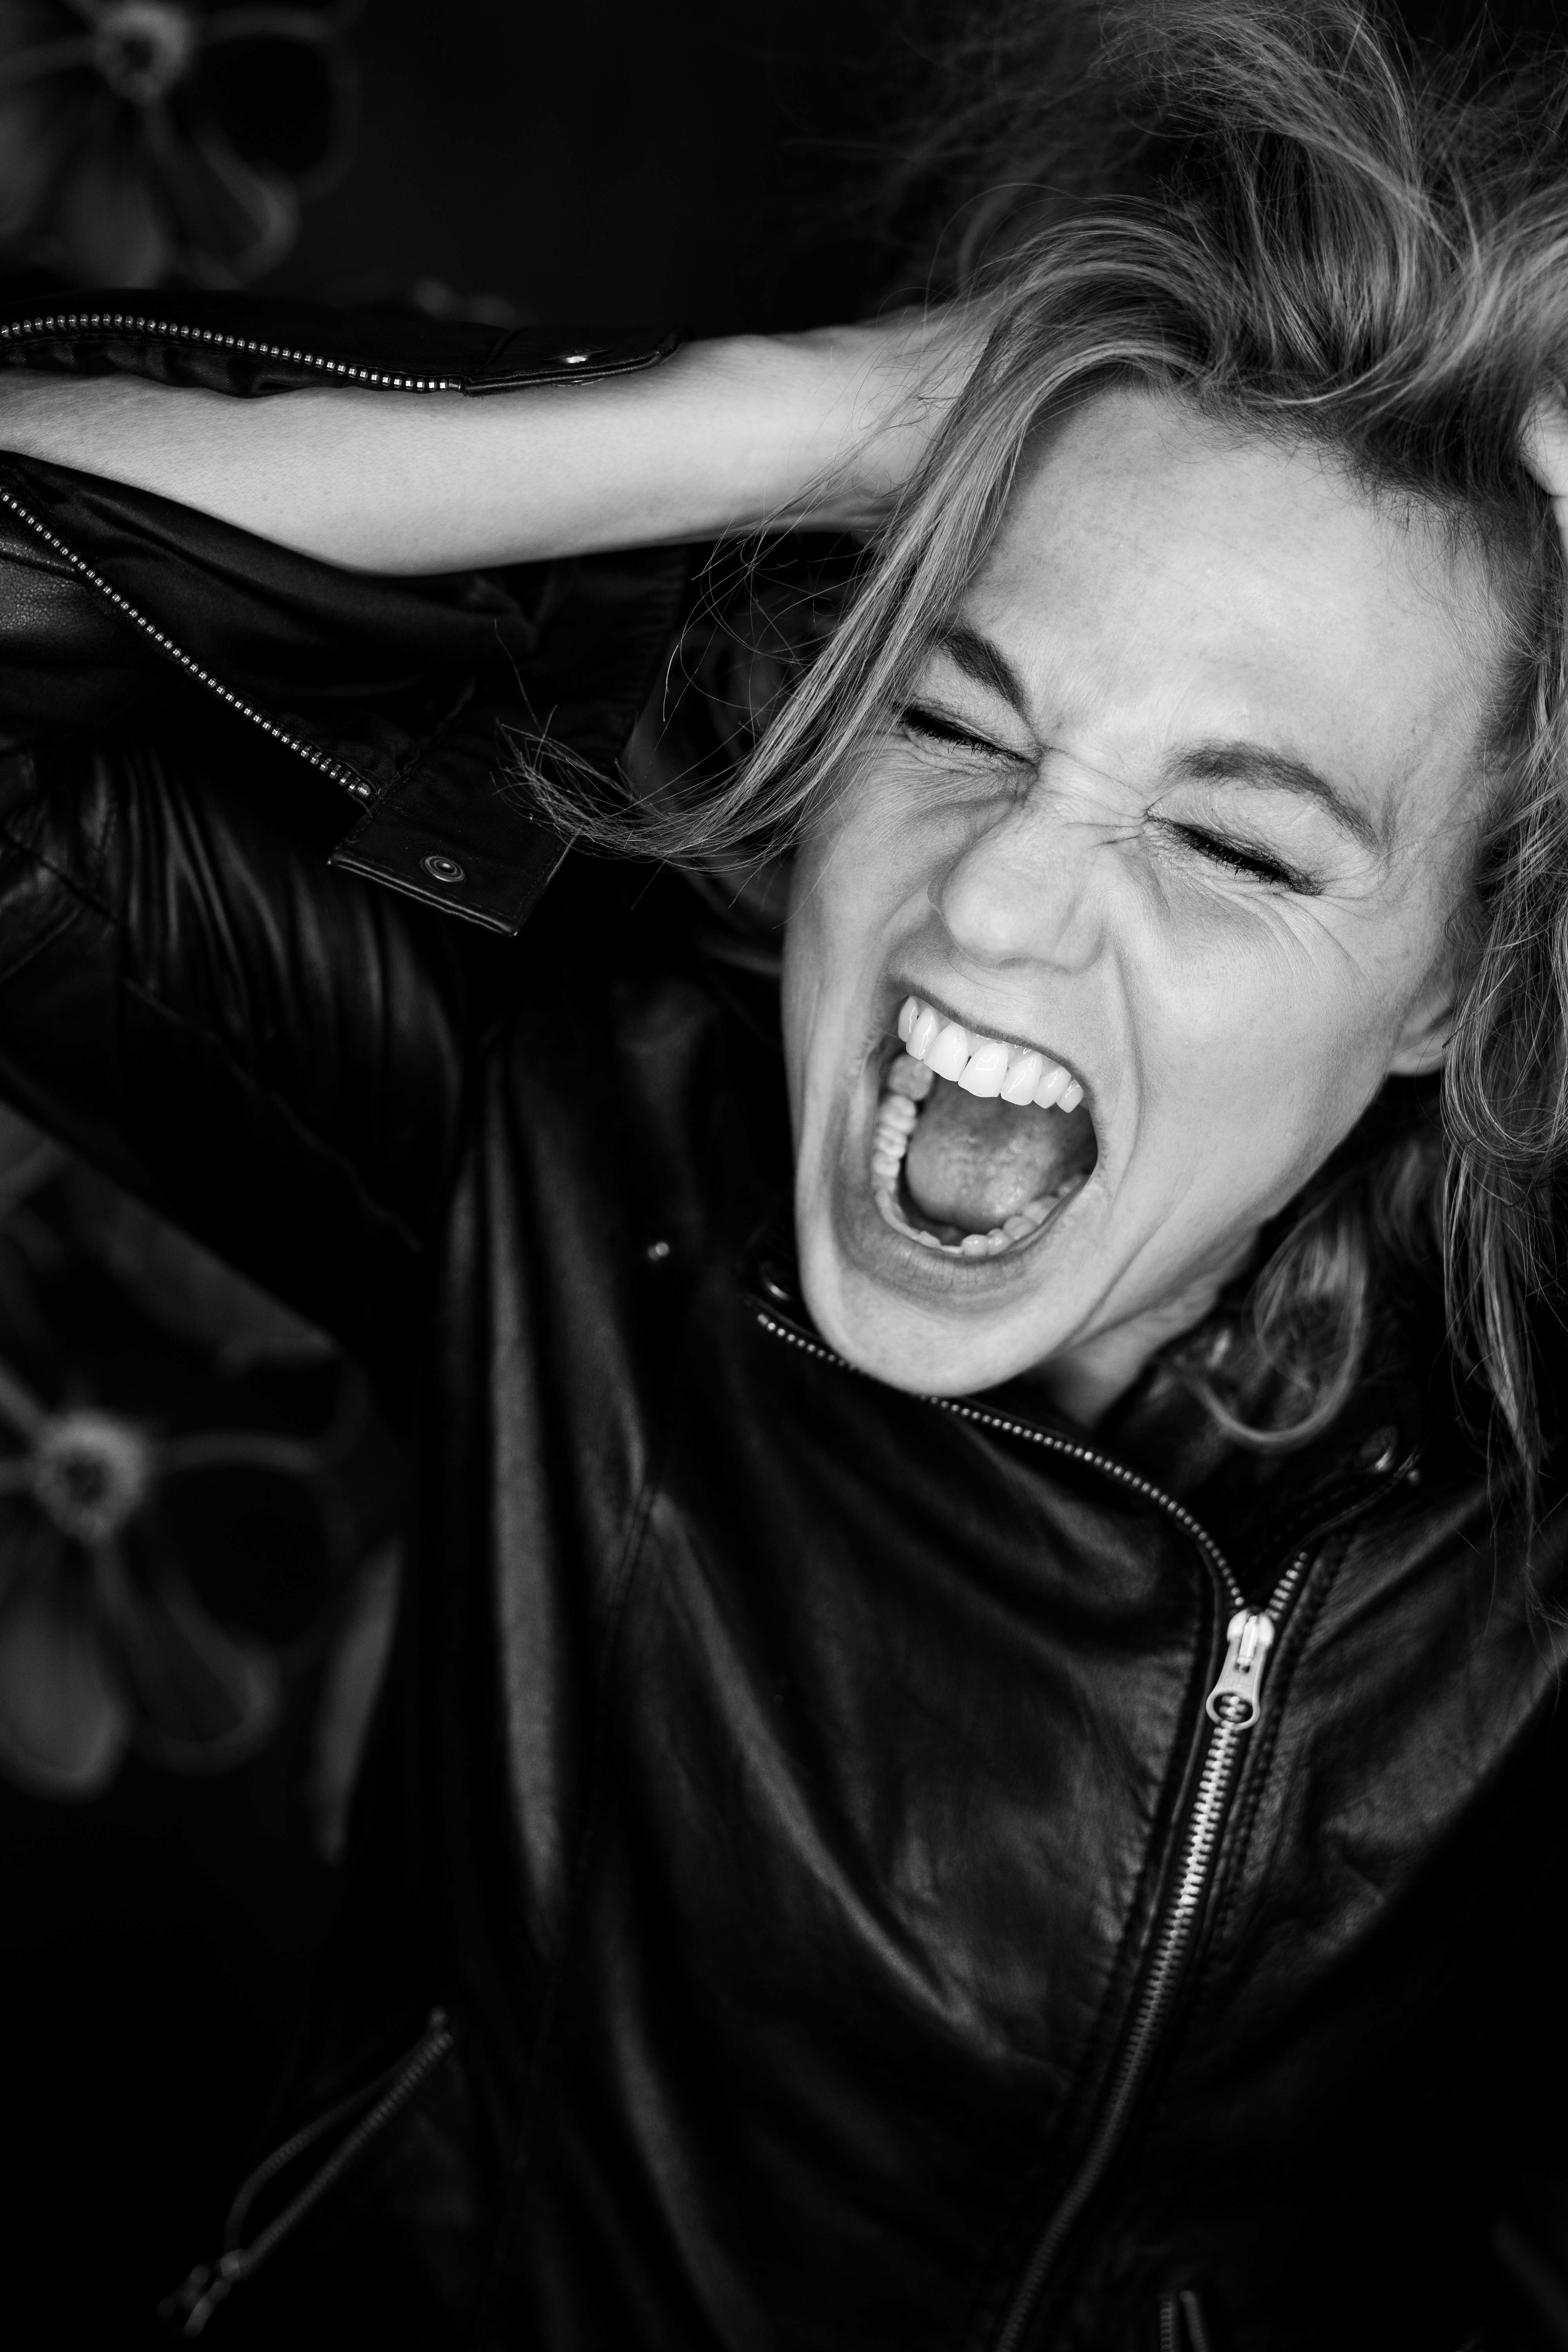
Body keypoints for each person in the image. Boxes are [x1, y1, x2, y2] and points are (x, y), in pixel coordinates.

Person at [0, 1, 1566, 2343]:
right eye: (952, 713)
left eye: (1237, 844)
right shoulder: (572, 1127)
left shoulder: (1528, 1487)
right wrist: (826, 418)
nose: (997, 901)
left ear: (1456, 989)